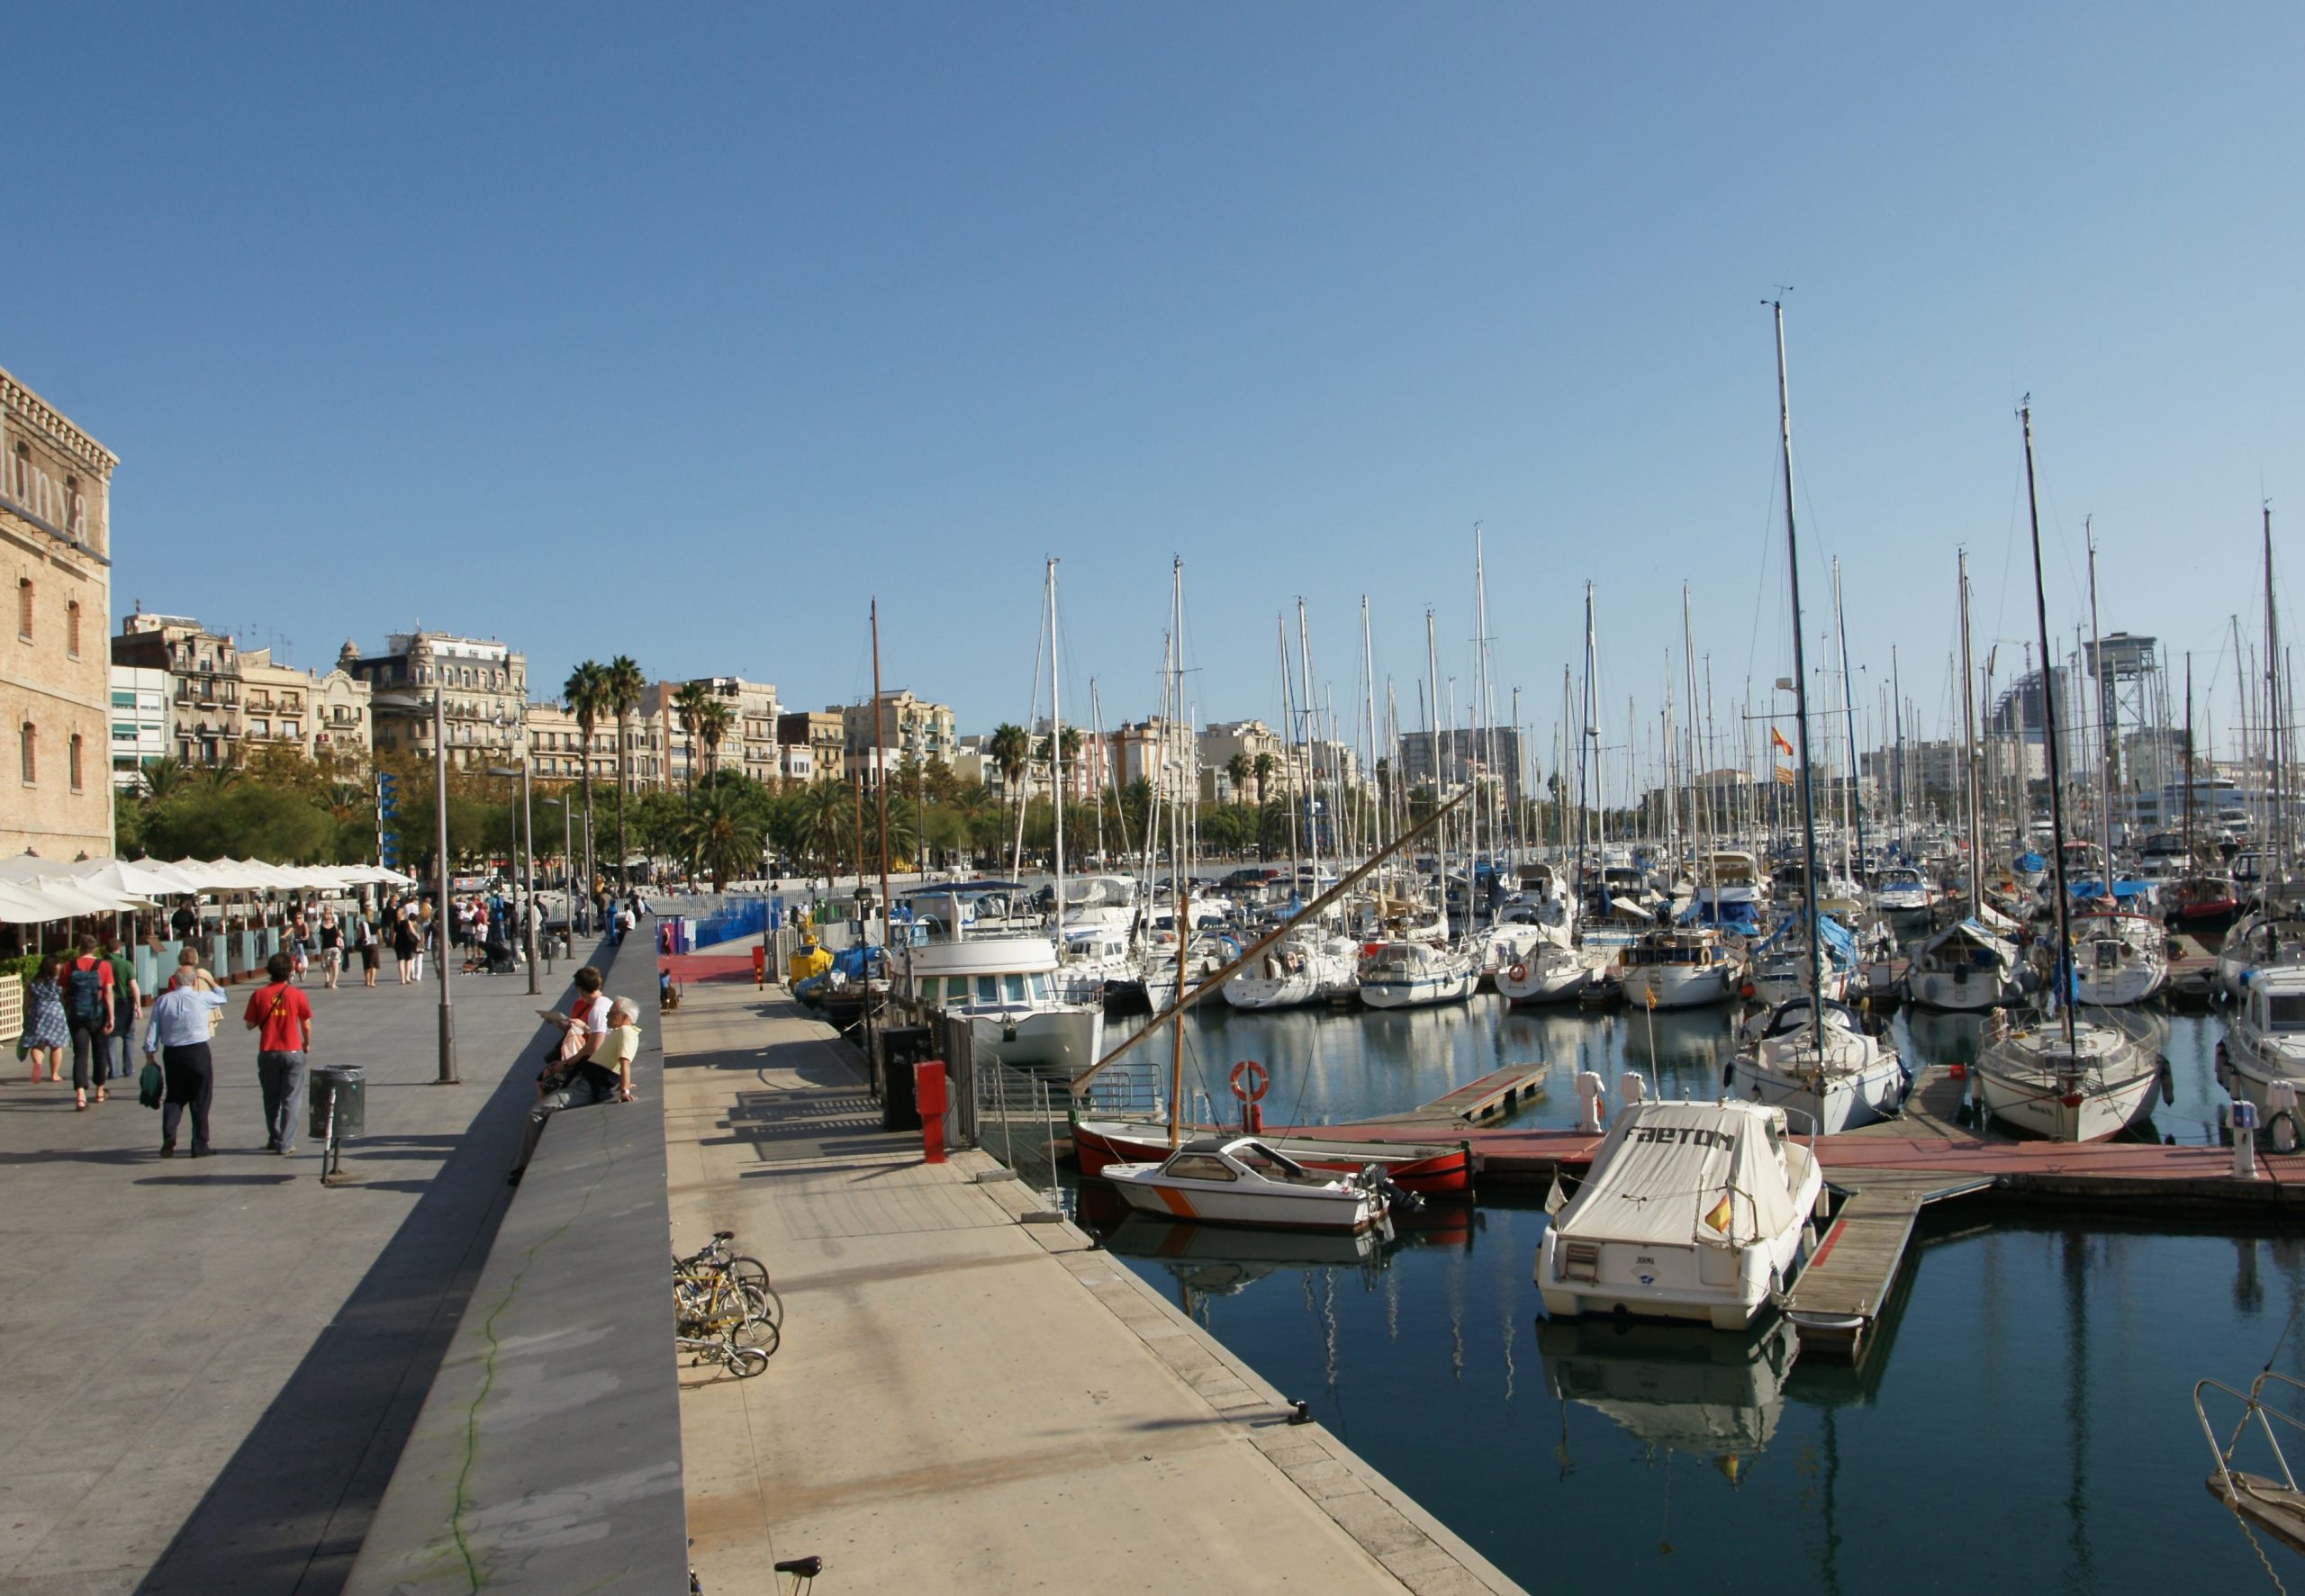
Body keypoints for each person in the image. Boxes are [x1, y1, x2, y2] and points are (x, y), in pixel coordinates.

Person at [509, 987, 637, 1186]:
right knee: (545, 1088)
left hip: (586, 1087)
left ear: (624, 1017)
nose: (607, 1016)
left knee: (536, 1112)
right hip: (584, 1080)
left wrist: (625, 1090)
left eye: (611, 1014)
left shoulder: (626, 1034)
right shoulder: (621, 1033)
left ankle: (524, 1167)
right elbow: (616, 1061)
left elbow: (625, 1061)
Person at [144, 955, 230, 1157]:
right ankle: (199, 1144)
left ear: (175, 980)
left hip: (173, 1053)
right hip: (197, 1051)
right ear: (193, 980)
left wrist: (150, 1054)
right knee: (201, 1097)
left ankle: (169, 1134)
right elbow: (223, 997)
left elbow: (153, 1029)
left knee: (174, 1095)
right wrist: (209, 980)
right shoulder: (202, 997)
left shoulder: (163, 1001)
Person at [244, 951, 315, 1154]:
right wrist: (306, 1044)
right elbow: (306, 1024)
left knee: (271, 1097)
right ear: (290, 971)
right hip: (293, 1049)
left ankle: (274, 1137)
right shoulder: (297, 994)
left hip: (268, 1050)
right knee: (291, 1098)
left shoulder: (259, 995)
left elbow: (250, 1024)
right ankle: (286, 1141)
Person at [63, 933, 116, 1111]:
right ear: (95, 948)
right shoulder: (104, 966)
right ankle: (100, 1091)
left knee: (80, 1054)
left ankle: (80, 1095)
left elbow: (64, 992)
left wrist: (68, 1011)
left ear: (79, 947)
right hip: (98, 1014)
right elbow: (108, 993)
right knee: (100, 1052)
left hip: (77, 1016)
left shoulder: (69, 966)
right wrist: (111, 1017)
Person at [98, 930, 141, 1084]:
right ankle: (128, 1068)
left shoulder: (102, 965)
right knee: (128, 1036)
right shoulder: (126, 964)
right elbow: (133, 986)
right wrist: (138, 1006)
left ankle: (113, 1070)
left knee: (110, 1037)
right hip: (125, 1002)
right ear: (119, 949)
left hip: (106, 1003)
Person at [22, 954, 69, 1086]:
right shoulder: (59, 981)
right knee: (56, 1046)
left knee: (37, 1044)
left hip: (37, 1012)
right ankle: (54, 1074)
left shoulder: (33, 982)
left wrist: (25, 1018)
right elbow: (65, 998)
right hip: (55, 1012)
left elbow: (26, 1003)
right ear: (55, 966)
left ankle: (37, 1063)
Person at [351, 903, 380, 988]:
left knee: (366, 963)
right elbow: (380, 935)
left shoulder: (362, 925)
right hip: (374, 945)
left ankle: (367, 981)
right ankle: (372, 982)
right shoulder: (376, 925)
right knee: (373, 964)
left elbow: (359, 934)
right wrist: (381, 941)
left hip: (365, 945)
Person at [392, 906, 420, 985]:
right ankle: (407, 977)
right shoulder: (407, 922)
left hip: (398, 943)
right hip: (407, 942)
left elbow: (393, 934)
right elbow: (412, 931)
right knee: (408, 960)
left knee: (400, 961)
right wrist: (418, 938)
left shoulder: (394, 923)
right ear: (404, 914)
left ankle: (402, 979)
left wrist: (393, 942)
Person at [318, 911, 344, 990]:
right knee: (335, 966)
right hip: (335, 948)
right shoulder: (336, 926)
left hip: (326, 949)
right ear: (332, 918)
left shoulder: (322, 928)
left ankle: (327, 980)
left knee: (327, 966)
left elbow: (321, 939)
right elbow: (341, 935)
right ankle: (333, 983)